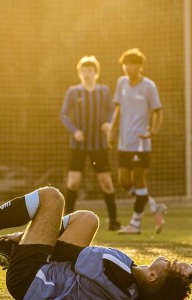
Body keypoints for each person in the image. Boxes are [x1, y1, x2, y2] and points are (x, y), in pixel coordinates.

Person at [0, 186, 192, 300]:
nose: (173, 261)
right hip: (43, 283)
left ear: (151, 276)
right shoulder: (132, 289)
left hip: (30, 279)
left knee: (51, 198)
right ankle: (10, 250)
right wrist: (191, 273)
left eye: (171, 267)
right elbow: (168, 289)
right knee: (88, 219)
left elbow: (62, 249)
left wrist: (23, 238)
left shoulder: (117, 270)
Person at [108, 48, 166, 235]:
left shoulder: (149, 86)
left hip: (141, 142)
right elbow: (117, 109)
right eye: (126, 64)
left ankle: (135, 224)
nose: (128, 67)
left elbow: (158, 111)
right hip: (124, 142)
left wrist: (154, 131)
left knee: (139, 180)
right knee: (124, 182)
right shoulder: (121, 83)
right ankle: (154, 206)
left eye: (133, 64)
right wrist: (111, 129)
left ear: (140, 66)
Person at [59, 55, 121, 231]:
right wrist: (74, 131)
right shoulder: (73, 92)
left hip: (98, 146)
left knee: (106, 182)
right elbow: (63, 114)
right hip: (78, 146)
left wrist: (108, 123)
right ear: (80, 73)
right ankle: (65, 223)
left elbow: (111, 111)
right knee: (73, 183)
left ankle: (114, 221)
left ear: (96, 73)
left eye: (90, 71)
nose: (87, 74)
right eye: (84, 71)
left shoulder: (103, 91)